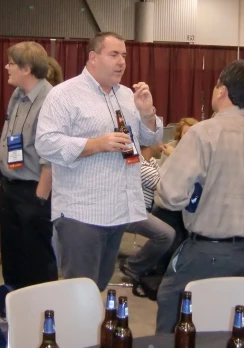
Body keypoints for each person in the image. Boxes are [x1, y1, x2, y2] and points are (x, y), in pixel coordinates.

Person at [154, 60, 244, 332]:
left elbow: (170, 195)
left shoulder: (202, 134)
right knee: (234, 328)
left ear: (222, 91)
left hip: (206, 253)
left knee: (175, 324)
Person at [36, 32, 163, 291]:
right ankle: (72, 332)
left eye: (124, 56)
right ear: (93, 58)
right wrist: (95, 144)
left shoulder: (128, 96)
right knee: (79, 291)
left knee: (100, 286)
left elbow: (152, 138)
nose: (121, 62)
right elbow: (46, 143)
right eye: (114, 55)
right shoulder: (64, 95)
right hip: (81, 212)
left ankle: (91, 331)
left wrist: (147, 112)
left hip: (119, 210)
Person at [0, 42, 56, 289]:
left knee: (37, 262)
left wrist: (40, 199)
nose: (6, 67)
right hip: (11, 187)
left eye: (11, 63)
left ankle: (42, 317)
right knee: (12, 257)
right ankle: (12, 310)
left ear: (27, 68)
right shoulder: (17, 95)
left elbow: (52, 157)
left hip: (34, 191)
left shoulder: (52, 100)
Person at [120, 144, 175, 282]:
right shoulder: (139, 165)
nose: (162, 145)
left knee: (171, 218)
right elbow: (169, 187)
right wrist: (174, 156)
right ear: (150, 143)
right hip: (130, 212)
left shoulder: (151, 162)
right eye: (159, 140)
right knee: (167, 235)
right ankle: (133, 266)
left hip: (143, 208)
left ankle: (159, 266)